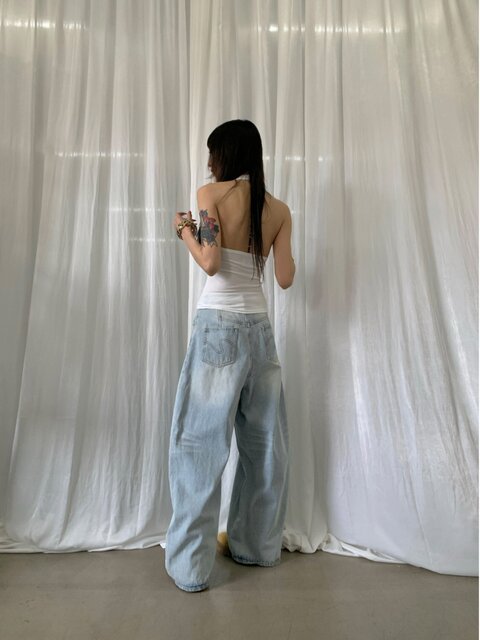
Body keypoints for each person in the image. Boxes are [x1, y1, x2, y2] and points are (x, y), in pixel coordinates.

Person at [165, 119, 295, 592]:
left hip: (218, 328)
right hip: (260, 331)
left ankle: (190, 568)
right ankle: (256, 547)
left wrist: (183, 228)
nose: (208, 162)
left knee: (199, 443)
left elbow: (210, 261)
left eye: (212, 153)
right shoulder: (278, 209)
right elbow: (285, 278)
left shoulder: (210, 194)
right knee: (264, 444)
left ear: (225, 155)